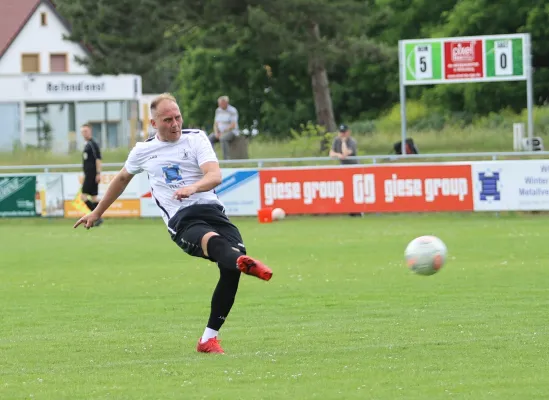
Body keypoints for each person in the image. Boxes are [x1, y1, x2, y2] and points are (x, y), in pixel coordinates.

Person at [74, 93, 273, 354]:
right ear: (154, 123)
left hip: (213, 211)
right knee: (216, 245)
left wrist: (194, 187)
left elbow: (214, 175)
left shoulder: (196, 138)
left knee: (231, 267)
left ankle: (207, 339)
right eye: (168, 120)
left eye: (178, 117)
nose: (175, 124)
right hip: (182, 220)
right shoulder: (143, 150)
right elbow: (122, 179)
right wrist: (97, 212)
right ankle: (238, 262)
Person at [80, 123, 103, 226]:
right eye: (82, 132)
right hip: (88, 174)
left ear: (90, 131)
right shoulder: (86, 144)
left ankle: (96, 216)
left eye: (86, 131)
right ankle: (98, 216)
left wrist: (98, 173)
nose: (84, 133)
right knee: (94, 198)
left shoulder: (92, 144)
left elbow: (98, 159)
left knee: (83, 196)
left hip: (92, 174)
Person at [208, 95, 240, 160]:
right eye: (219, 104)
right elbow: (215, 124)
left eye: (222, 104)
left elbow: (233, 125)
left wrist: (223, 132)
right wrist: (216, 132)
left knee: (223, 138)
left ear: (226, 103)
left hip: (231, 132)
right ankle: (212, 158)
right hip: (220, 132)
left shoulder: (232, 110)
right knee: (209, 138)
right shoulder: (218, 110)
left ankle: (226, 159)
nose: (220, 105)